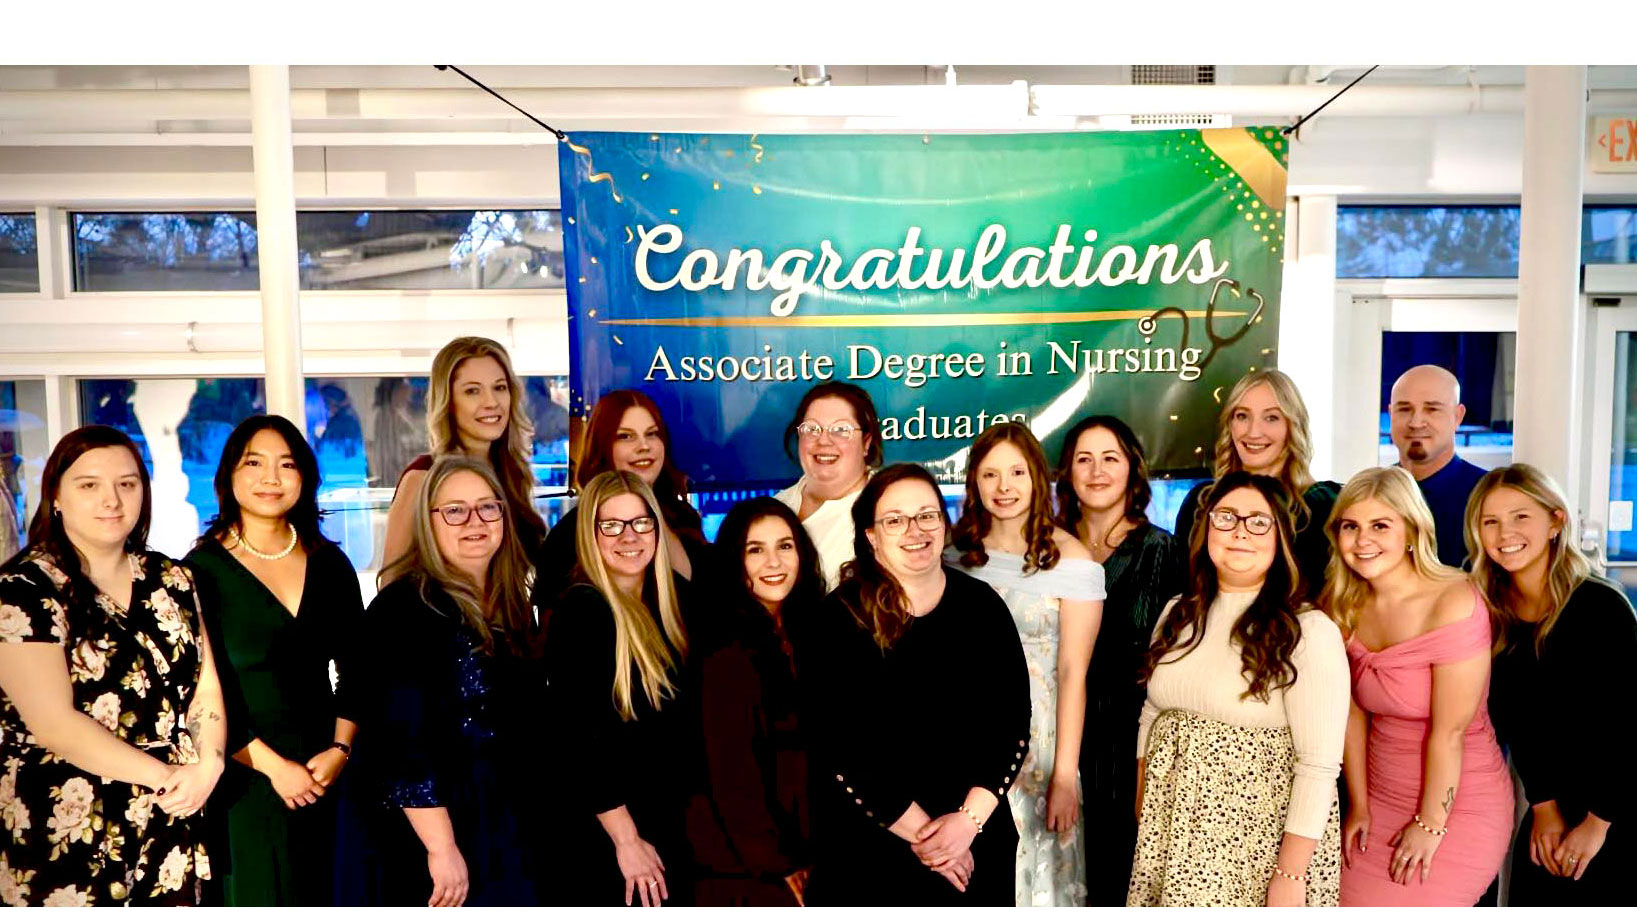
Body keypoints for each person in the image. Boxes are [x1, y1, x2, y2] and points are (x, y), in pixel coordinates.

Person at [0, 425, 226, 906]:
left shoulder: (172, 577)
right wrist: (168, 777)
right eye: (90, 485)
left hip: (172, 813)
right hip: (66, 819)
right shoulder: (23, 590)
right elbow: (54, 725)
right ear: (56, 497)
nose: (112, 500)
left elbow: (204, 686)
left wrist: (210, 763)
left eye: (127, 484)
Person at [795, 463, 1031, 906]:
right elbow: (836, 743)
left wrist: (966, 824)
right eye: (895, 519)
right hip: (872, 847)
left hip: (974, 840)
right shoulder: (837, 618)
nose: (914, 530)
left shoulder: (982, 607)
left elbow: (1012, 724)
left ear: (943, 523)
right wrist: (930, 842)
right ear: (871, 534)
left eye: (927, 515)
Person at [1131, 471, 1349, 907]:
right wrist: (1145, 804)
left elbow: (1319, 765)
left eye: (1259, 521)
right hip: (1173, 835)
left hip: (1258, 848)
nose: (1240, 532)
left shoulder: (1308, 631)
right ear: (1206, 527)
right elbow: (1152, 713)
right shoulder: (1178, 613)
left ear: (1281, 538)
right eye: (1226, 517)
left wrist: (1290, 874)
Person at [181, 415, 362, 906]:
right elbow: (194, 694)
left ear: (305, 477)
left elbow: (359, 669)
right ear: (228, 477)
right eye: (254, 463)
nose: (271, 478)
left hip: (328, 770)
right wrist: (274, 767)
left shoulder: (330, 563)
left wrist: (340, 751)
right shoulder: (198, 573)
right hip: (243, 776)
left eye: (287, 465)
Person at [355, 456, 541, 906]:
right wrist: (442, 849)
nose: (474, 521)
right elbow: (401, 746)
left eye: (487, 507)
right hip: (437, 833)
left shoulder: (511, 604)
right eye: (454, 510)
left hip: (506, 822)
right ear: (428, 522)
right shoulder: (405, 608)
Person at [1323, 466, 1511, 906]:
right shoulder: (1341, 604)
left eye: (1380, 526)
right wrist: (1360, 805)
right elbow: (1352, 712)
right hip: (1378, 794)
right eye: (1351, 526)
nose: (1363, 540)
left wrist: (1430, 824)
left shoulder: (1454, 599)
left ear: (1412, 531)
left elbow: (1451, 732)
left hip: (1457, 802)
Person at [950, 422, 1103, 906]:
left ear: (1037, 477)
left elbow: (1073, 673)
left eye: (1016, 472)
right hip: (968, 741)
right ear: (974, 482)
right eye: (990, 474)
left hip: (1042, 748)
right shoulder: (952, 556)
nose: (1004, 487)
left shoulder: (1072, 561)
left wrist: (1064, 775)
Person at [1469, 464, 1635, 905]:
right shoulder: (1487, 612)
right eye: (1491, 521)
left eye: (1521, 516)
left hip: (1614, 808)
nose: (1505, 532)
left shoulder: (1602, 608)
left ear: (1555, 522)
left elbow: (1628, 729)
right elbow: (1519, 725)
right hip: (1549, 808)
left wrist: (1598, 824)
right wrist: (1543, 807)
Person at [542, 470, 694, 906]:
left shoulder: (669, 603)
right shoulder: (582, 611)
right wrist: (626, 841)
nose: (629, 536)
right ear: (591, 535)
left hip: (663, 823)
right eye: (611, 525)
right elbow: (579, 740)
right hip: (613, 838)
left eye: (641, 521)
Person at [1054, 415, 1186, 905]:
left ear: (1132, 468)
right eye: (1083, 460)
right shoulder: (1046, 548)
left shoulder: (1162, 552)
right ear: (1067, 471)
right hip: (1054, 734)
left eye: (1110, 458)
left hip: (1128, 745)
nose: (1096, 471)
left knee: (1115, 877)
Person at [685, 497, 819, 906]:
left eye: (785, 545)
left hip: (803, 852)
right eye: (755, 550)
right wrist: (779, 863)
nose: (773, 562)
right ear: (733, 560)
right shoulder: (726, 651)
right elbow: (733, 774)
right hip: (749, 870)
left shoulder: (809, 633)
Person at [381, 336, 545, 574]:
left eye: (499, 387)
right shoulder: (422, 476)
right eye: (472, 391)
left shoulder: (511, 471)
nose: (491, 402)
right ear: (448, 402)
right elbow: (390, 585)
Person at [1174, 369, 1340, 601]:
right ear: (1230, 424)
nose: (1254, 431)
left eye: (1271, 418)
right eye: (1242, 416)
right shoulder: (1200, 503)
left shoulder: (1323, 505)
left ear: (1293, 426)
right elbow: (1184, 588)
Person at [534, 389, 707, 608]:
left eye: (652, 433)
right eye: (626, 436)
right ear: (603, 447)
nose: (644, 446)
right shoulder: (570, 535)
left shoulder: (683, 516)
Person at [775, 382, 883, 590]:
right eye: (812, 429)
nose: (823, 441)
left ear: (866, 442)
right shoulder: (777, 504)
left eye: (841, 430)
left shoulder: (887, 510)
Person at [1389, 364, 1487, 568]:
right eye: (1404, 409)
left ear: (1458, 416)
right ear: (1391, 414)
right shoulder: (1369, 494)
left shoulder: (1488, 496)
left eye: (1432, 409)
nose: (1416, 422)